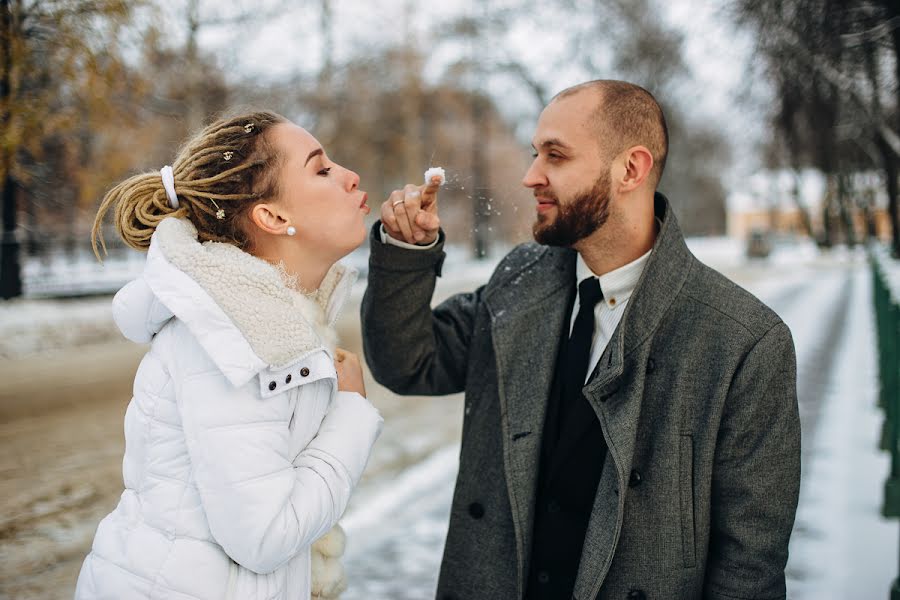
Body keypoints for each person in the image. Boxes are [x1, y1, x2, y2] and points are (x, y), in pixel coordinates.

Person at [361, 80, 800, 599]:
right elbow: (409, 363)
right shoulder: (519, 277)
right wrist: (407, 254)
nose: (531, 176)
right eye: (534, 154)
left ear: (630, 169)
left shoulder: (743, 342)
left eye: (556, 156)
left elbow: (748, 571)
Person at [75, 110, 383, 600]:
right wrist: (351, 412)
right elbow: (263, 537)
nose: (351, 177)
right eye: (322, 169)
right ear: (273, 217)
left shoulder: (269, 317)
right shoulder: (231, 332)